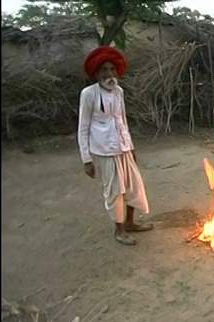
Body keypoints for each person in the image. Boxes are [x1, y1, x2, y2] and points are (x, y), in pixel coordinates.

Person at [77, 46, 153, 246]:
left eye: (112, 69)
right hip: (104, 150)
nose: (109, 74)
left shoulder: (119, 91)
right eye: (104, 70)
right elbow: (83, 127)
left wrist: (131, 147)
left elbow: (122, 120)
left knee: (134, 185)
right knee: (114, 190)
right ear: (96, 73)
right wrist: (86, 160)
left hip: (123, 147)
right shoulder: (88, 94)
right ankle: (119, 230)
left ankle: (130, 222)